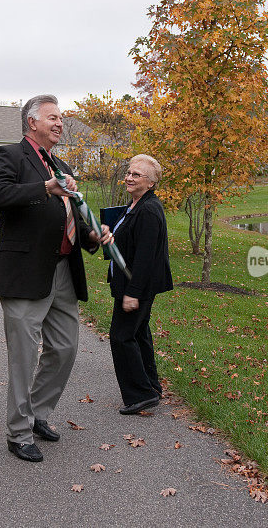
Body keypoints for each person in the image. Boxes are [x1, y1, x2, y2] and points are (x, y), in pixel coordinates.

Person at [0, 94, 110, 462]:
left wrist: (93, 235)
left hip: (64, 271)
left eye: (61, 117)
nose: (59, 123)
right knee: (24, 356)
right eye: (53, 117)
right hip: (26, 273)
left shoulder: (62, 164)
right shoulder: (10, 156)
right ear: (32, 122)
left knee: (65, 348)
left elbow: (73, 215)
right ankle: (18, 433)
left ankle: (37, 413)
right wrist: (44, 188)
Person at [105, 154, 173, 415]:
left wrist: (133, 293)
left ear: (152, 183)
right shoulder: (134, 205)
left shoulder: (149, 210)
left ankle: (140, 395)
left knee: (121, 336)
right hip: (131, 283)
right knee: (138, 332)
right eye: (129, 173)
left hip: (138, 286)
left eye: (137, 175)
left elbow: (145, 257)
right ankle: (151, 387)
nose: (129, 178)